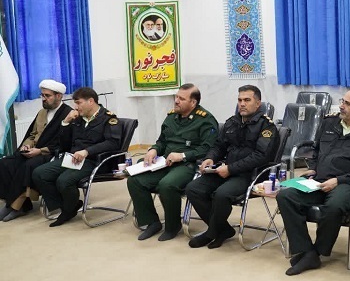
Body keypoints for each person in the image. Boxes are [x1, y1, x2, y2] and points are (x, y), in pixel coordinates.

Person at [276, 87, 350, 276]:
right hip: (318, 179)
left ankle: (318, 251)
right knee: (285, 196)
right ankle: (306, 250)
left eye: (347, 104)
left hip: (347, 184)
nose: (341, 106)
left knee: (335, 206)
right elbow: (317, 150)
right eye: (342, 101)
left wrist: (338, 180)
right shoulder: (329, 122)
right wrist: (313, 167)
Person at [185, 85, 279, 249]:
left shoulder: (267, 127)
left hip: (250, 175)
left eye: (247, 100)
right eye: (240, 100)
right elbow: (218, 146)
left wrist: (231, 169)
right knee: (193, 188)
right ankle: (223, 230)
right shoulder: (232, 123)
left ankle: (211, 233)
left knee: (222, 194)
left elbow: (261, 156)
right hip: (225, 170)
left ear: (258, 103)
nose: (242, 104)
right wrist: (210, 158)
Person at [127, 84, 218, 241]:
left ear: (193, 103)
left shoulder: (205, 120)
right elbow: (162, 141)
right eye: (176, 97)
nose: (176, 101)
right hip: (164, 162)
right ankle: (152, 222)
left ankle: (172, 226)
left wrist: (182, 155)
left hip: (188, 165)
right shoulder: (171, 117)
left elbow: (207, 149)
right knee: (135, 181)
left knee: (167, 185)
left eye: (181, 99)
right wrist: (154, 150)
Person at [32, 87, 121, 227]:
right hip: (72, 158)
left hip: (94, 161)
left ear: (90, 101)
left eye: (79, 103)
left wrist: (87, 151)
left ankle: (68, 210)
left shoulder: (108, 119)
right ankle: (67, 206)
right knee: (39, 173)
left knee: (64, 180)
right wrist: (66, 122)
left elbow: (112, 143)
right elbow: (64, 144)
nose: (76, 107)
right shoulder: (77, 118)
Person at [0, 80, 73, 221]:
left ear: (59, 96)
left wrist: (39, 151)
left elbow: (64, 142)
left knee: (27, 166)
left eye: (47, 96)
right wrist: (27, 146)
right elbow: (32, 135)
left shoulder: (68, 114)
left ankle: (14, 206)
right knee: (5, 164)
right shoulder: (42, 112)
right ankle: (20, 204)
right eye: (42, 95)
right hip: (34, 151)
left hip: (50, 154)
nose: (43, 99)